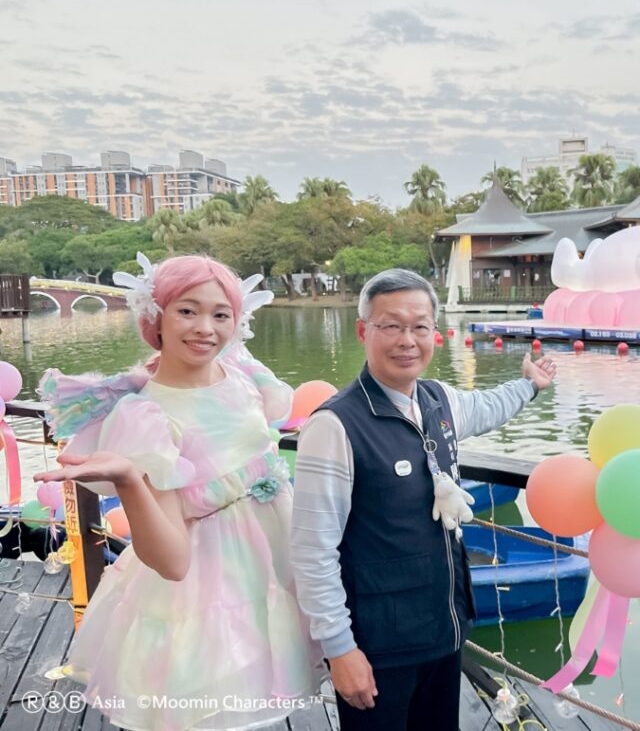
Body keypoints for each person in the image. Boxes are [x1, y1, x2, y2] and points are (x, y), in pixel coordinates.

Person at [35, 254, 323, 731]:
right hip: (208, 588)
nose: (205, 328)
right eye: (187, 311)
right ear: (157, 316)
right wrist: (129, 480)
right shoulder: (146, 416)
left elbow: (274, 416)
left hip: (277, 564)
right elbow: (172, 563)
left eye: (220, 314)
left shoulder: (241, 372)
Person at [291, 269, 556, 730]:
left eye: (419, 326)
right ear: (363, 331)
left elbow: (487, 406)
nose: (407, 340)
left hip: (444, 630)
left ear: (435, 331)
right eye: (391, 326)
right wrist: (340, 649)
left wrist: (529, 385)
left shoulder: (437, 400)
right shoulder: (334, 426)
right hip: (378, 645)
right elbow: (313, 550)